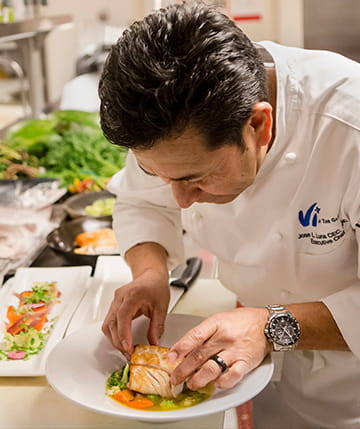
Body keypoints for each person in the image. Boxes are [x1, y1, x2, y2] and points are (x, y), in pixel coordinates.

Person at [98, 2, 360, 428]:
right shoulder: (163, 119)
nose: (181, 201)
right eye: (159, 173)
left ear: (259, 125)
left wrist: (272, 326)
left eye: (196, 177)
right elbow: (142, 202)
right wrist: (149, 275)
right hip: (258, 375)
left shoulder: (349, 125)